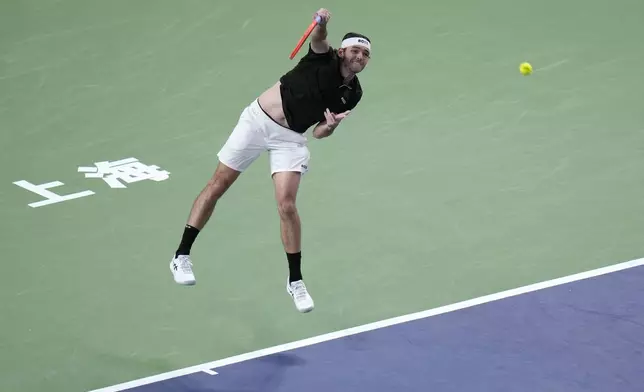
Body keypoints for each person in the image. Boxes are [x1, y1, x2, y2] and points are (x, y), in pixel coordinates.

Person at [169, 8, 371, 313]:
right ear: (342, 51)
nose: (359, 56)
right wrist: (323, 23)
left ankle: (295, 281)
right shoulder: (323, 57)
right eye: (355, 50)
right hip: (256, 123)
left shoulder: (352, 93)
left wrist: (329, 127)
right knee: (219, 184)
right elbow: (318, 38)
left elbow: (318, 132)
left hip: (290, 139)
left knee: (287, 205)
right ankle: (181, 255)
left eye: (365, 54)